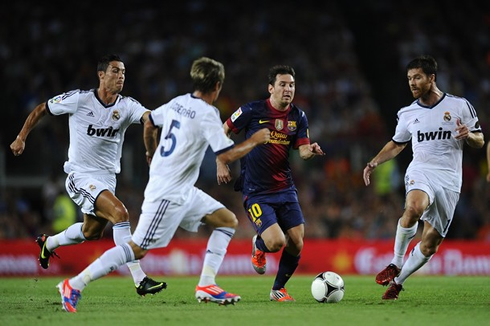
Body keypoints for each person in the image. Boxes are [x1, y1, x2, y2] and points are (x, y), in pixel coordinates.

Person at [55, 57, 270, 312]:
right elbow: (225, 155)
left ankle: (206, 284)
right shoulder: (207, 114)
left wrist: (151, 151)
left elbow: (150, 122)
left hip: (183, 189)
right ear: (218, 86)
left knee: (227, 221)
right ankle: (74, 284)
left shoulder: (178, 102)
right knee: (136, 249)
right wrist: (255, 140)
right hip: (167, 193)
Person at [10, 54, 166, 296]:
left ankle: (48, 243)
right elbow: (43, 108)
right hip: (80, 176)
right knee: (121, 213)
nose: (121, 76)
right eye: (115, 71)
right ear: (101, 75)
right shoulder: (80, 99)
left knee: (90, 232)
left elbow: (149, 119)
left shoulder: (126, 105)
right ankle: (140, 279)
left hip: (107, 179)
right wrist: (21, 137)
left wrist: (156, 134)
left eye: (123, 72)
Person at [363, 55, 484, 300]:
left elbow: (480, 140)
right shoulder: (408, 113)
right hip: (421, 170)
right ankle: (395, 263)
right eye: (409, 79)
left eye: (417, 77)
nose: (412, 83)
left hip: (449, 179)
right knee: (413, 207)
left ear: (432, 78)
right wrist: (374, 161)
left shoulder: (460, 106)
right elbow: (397, 144)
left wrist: (468, 135)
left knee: (430, 244)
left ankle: (398, 282)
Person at [217, 65, 325, 302]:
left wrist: (312, 150)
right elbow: (223, 130)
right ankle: (259, 244)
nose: (288, 89)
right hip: (256, 191)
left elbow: (303, 151)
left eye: (292, 85)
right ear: (271, 88)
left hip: (285, 188)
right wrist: (221, 160)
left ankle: (278, 289)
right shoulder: (252, 110)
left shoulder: (299, 116)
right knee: (276, 242)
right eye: (283, 84)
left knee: (297, 241)